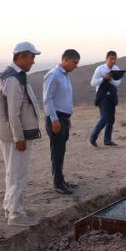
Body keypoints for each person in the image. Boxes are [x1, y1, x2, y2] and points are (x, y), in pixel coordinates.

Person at [0, 42, 42, 226]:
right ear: (20, 56)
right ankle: (15, 215)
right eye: (31, 57)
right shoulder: (13, 79)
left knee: (13, 173)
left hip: (11, 133)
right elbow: (13, 113)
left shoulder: (15, 75)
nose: (33, 61)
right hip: (16, 135)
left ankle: (10, 207)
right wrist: (19, 137)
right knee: (18, 175)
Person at [43, 49, 80, 194]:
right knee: (57, 151)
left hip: (63, 118)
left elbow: (62, 99)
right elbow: (47, 99)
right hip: (56, 118)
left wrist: (67, 118)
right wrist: (54, 120)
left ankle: (61, 180)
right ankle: (58, 184)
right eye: (74, 63)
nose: (76, 66)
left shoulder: (64, 76)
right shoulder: (53, 75)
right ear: (65, 60)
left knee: (61, 150)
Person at [89, 50, 122, 147]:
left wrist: (110, 79)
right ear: (107, 58)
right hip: (102, 96)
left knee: (111, 119)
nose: (113, 61)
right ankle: (92, 137)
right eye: (111, 59)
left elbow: (118, 83)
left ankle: (107, 140)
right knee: (105, 118)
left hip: (112, 95)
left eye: (115, 59)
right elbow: (93, 83)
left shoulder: (116, 69)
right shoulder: (100, 69)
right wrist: (103, 78)